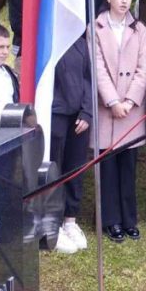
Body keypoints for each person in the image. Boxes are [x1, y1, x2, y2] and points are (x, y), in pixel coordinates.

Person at [95, 0, 146, 244]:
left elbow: (143, 68)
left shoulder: (139, 29)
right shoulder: (95, 27)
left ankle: (129, 219)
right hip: (108, 108)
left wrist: (129, 100)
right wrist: (113, 101)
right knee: (108, 167)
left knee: (128, 165)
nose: (125, 1)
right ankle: (111, 220)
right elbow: (98, 69)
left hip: (130, 108)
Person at [51, 37, 94, 254]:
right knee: (54, 168)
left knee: (75, 167)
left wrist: (87, 111)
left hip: (79, 115)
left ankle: (70, 220)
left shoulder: (80, 40)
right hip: (55, 113)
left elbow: (89, 77)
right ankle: (53, 224)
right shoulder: (47, 35)